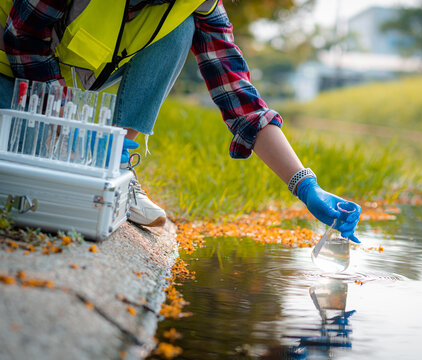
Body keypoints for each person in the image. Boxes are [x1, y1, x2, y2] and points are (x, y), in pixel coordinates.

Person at [0, 0, 361, 242]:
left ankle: (118, 165)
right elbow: (22, 38)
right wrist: (61, 132)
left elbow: (239, 96)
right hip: (9, 66)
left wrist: (305, 185)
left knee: (182, 27)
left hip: (73, 64)